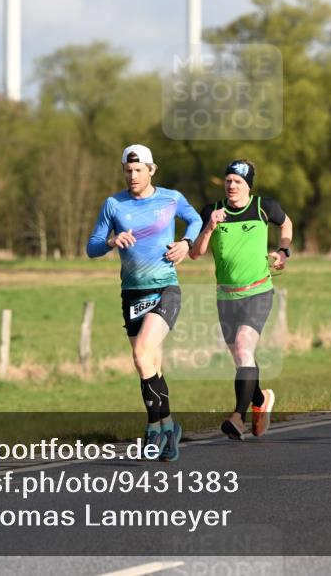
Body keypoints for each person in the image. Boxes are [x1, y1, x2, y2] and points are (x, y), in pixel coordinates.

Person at [86, 144, 202, 461]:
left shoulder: (171, 198)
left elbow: (195, 220)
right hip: (132, 291)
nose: (133, 176)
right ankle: (169, 428)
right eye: (128, 170)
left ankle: (153, 431)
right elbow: (92, 247)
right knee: (149, 364)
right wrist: (111, 241)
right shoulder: (113, 205)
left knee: (140, 355)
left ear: (152, 169)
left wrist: (186, 243)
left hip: (165, 288)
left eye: (138, 170)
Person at [189, 160, 292, 440]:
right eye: (228, 181)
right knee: (241, 358)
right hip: (226, 296)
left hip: (258, 291)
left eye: (238, 182)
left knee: (245, 347)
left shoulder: (263, 207)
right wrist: (209, 227)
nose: (232, 186)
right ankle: (261, 398)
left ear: (249, 186)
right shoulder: (212, 211)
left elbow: (286, 223)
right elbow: (195, 253)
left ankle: (237, 417)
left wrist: (283, 252)